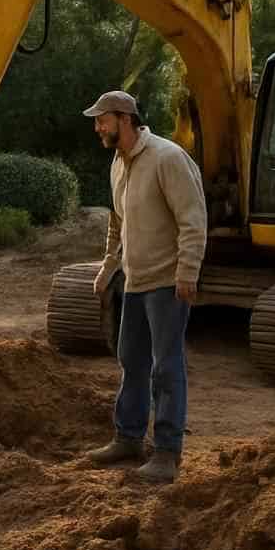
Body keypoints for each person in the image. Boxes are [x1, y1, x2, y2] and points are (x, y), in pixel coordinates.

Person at [83, 90, 207, 483]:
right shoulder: (118, 164)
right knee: (130, 360)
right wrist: (107, 269)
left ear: (124, 118)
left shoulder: (167, 158)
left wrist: (188, 271)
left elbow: (193, 219)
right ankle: (129, 437)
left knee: (165, 367)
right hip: (135, 281)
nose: (97, 127)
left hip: (167, 282)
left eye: (102, 120)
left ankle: (167, 452)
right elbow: (116, 224)